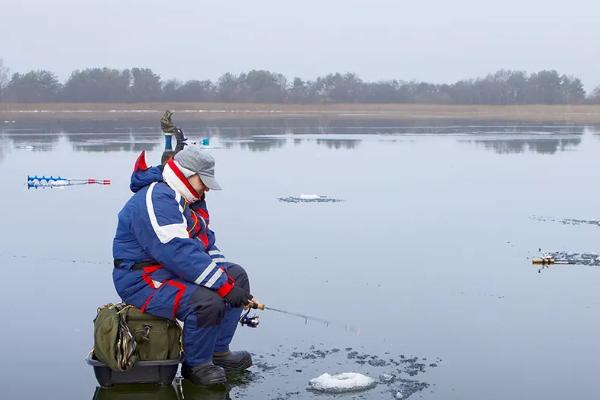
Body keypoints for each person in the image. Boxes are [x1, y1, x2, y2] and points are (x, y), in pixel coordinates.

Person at [112, 146, 257, 385]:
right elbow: (178, 252)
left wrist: (228, 282)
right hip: (142, 279)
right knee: (206, 302)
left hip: (169, 270)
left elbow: (205, 244)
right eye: (204, 181)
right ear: (187, 174)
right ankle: (196, 365)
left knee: (237, 276)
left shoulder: (186, 200)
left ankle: (217, 353)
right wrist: (223, 287)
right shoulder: (157, 198)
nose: (207, 188)